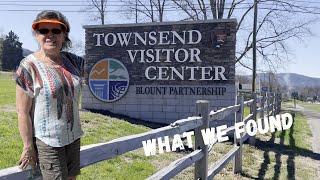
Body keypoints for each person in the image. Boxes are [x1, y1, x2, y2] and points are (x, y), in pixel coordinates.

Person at [15, 10, 84, 180]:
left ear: (64, 34)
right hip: (49, 141)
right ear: (36, 35)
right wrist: (28, 145)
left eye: (56, 31)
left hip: (74, 136)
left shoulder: (74, 61)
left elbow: (101, 68)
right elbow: (22, 112)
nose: (50, 35)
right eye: (43, 31)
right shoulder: (28, 66)